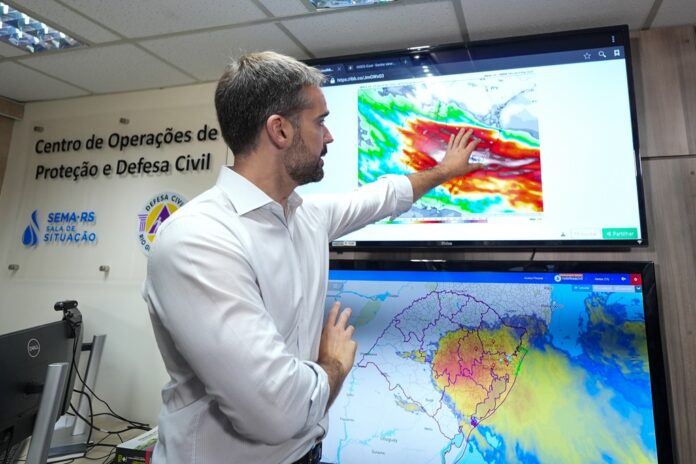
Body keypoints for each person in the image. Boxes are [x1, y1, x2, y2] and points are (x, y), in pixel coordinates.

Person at [142, 51, 481, 464]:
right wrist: (333, 364)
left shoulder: (304, 217)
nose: (330, 136)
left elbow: (383, 197)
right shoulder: (200, 241)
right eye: (320, 122)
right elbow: (276, 413)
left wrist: (444, 172)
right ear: (280, 131)